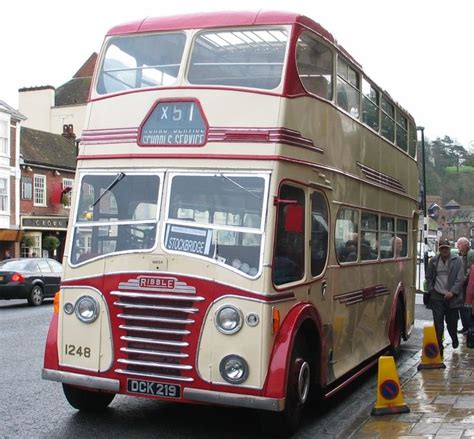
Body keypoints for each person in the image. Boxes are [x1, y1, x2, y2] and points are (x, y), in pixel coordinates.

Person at [425, 238, 465, 355]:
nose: (444, 251)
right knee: (438, 323)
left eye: (446, 248)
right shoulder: (434, 261)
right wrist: (432, 290)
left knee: (451, 322)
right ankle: (439, 347)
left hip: (452, 296)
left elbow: (460, 278)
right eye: (442, 248)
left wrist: (453, 292)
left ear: (449, 248)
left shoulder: (457, 260)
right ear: (439, 249)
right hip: (437, 296)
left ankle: (454, 337)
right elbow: (429, 277)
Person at [456, 237, 474, 334]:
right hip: (463, 285)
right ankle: (465, 326)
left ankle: (468, 327)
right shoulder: (462, 255)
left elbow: (469, 270)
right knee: (462, 306)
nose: (458, 247)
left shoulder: (470, 254)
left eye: (460, 244)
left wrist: (461, 281)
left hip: (468, 285)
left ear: (465, 245)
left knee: (467, 307)